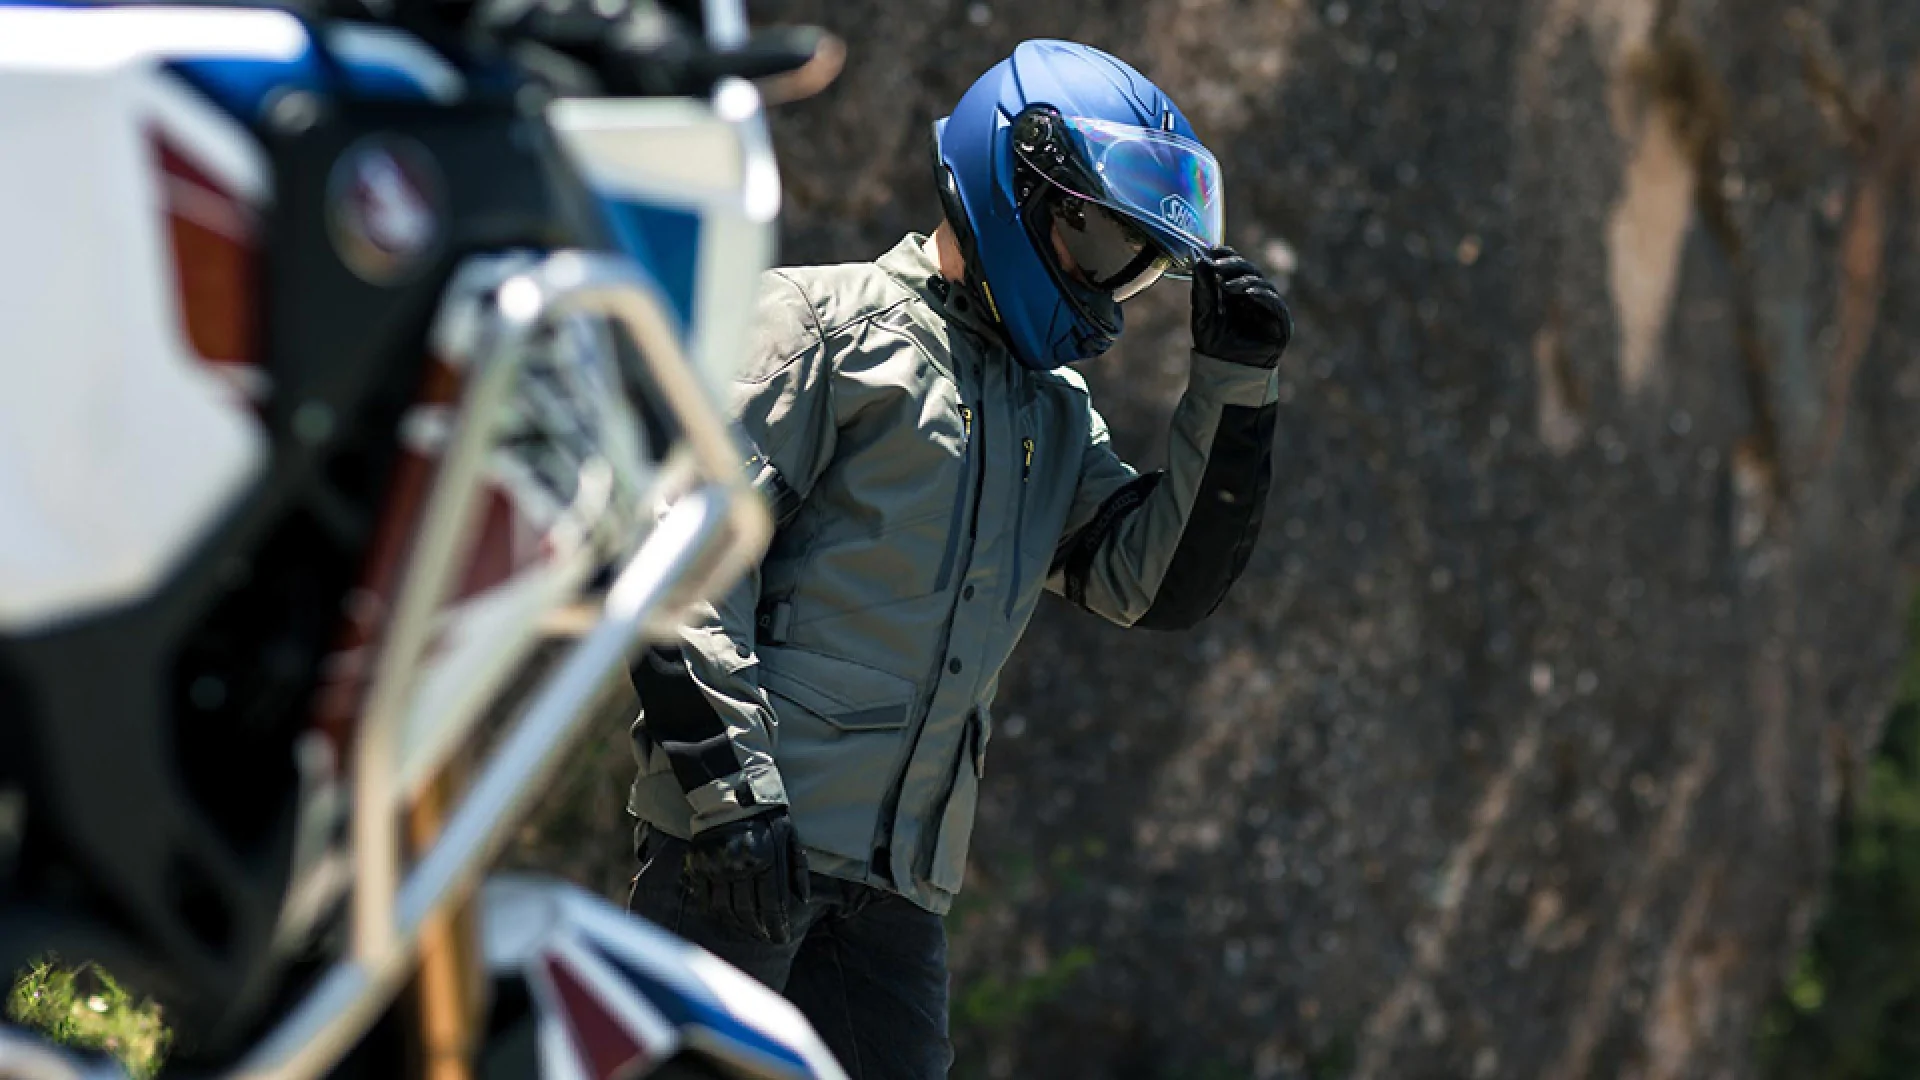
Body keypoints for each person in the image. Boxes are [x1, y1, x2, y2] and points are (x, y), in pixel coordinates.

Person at [625, 37, 1292, 1080]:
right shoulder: (823, 326)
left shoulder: (1054, 415)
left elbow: (1153, 584)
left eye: (1137, 262)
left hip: (896, 895)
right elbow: (679, 560)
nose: (1113, 285)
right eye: (1102, 242)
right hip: (741, 855)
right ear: (1015, 186)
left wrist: (1237, 384)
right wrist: (731, 804)